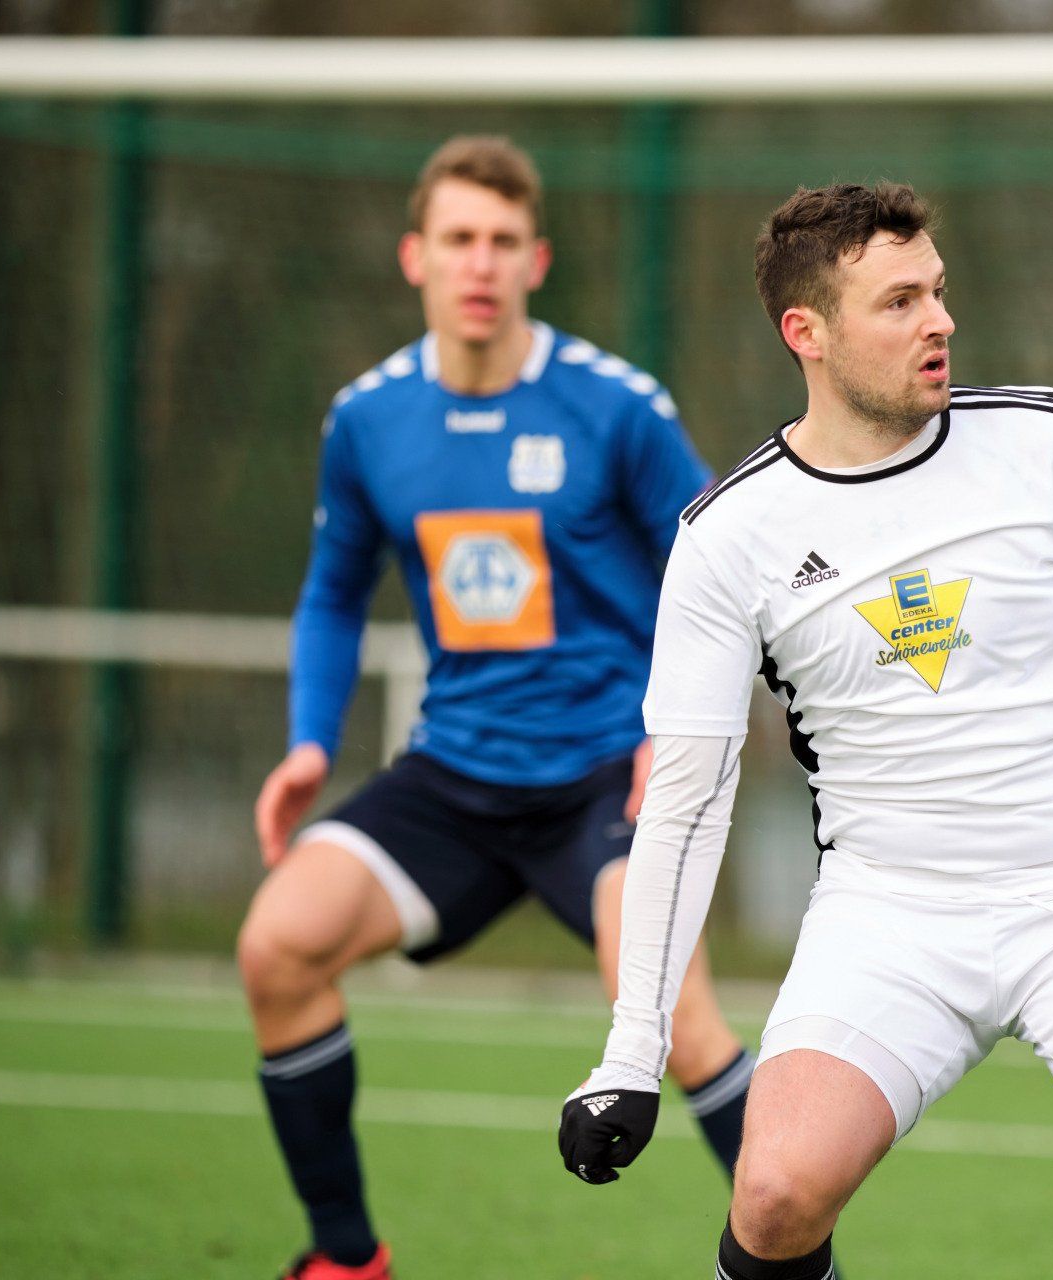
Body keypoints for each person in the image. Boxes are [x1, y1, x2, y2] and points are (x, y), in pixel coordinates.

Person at [556, 181, 1053, 1280]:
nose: (939, 321)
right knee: (775, 1194)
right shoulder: (727, 536)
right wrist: (631, 1050)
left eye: (937, 291)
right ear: (806, 332)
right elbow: (686, 798)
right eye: (899, 302)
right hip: (889, 911)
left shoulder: (1043, 436)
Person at [238, 136, 753, 1280]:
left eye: (503, 241)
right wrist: (309, 743)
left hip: (608, 775)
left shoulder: (615, 408)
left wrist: (675, 736)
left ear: (537, 261)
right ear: (415, 256)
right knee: (276, 945)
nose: (481, 262)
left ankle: (803, 1266)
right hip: (455, 777)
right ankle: (345, 1256)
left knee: (677, 1023)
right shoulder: (369, 418)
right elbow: (332, 593)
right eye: (460, 238)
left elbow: (724, 576)